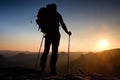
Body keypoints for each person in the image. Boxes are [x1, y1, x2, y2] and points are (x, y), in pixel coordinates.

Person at [40, 3, 72, 75]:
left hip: (48, 34)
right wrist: (67, 32)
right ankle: (53, 70)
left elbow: (62, 24)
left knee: (46, 51)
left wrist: (45, 29)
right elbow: (62, 24)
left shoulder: (47, 14)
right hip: (55, 34)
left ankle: (42, 68)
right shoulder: (57, 15)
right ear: (55, 8)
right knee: (54, 51)